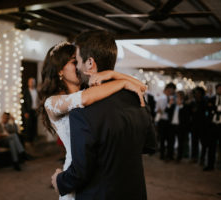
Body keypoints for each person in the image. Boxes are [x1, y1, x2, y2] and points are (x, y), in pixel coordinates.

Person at [40, 31, 155, 200]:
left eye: (78, 61)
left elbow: (142, 88)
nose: (79, 66)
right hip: (75, 178)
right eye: (74, 62)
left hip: (92, 177)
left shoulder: (93, 92)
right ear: (60, 71)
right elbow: (83, 99)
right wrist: (122, 81)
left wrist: (114, 74)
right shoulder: (52, 102)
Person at [165, 91, 190, 161]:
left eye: (178, 96)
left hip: (180, 127)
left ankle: (179, 157)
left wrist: (181, 106)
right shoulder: (172, 105)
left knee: (180, 142)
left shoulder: (185, 106)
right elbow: (166, 110)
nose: (176, 98)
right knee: (170, 142)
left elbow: (186, 117)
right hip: (172, 126)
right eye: (176, 96)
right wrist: (169, 104)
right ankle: (170, 156)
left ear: (182, 98)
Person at [155, 82, 176, 160]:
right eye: (169, 90)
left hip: (170, 122)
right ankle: (162, 154)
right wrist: (159, 111)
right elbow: (157, 110)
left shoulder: (172, 99)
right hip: (162, 121)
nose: (170, 92)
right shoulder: (161, 98)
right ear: (166, 90)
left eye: (172, 90)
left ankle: (169, 155)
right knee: (162, 138)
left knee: (169, 139)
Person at [205, 83, 221, 171]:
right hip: (213, 126)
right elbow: (208, 110)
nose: (220, 90)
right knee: (211, 146)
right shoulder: (212, 99)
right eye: (219, 89)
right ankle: (210, 165)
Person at [23, 77, 39, 143]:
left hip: (35, 110)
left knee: (34, 125)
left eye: (33, 82)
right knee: (28, 126)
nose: (32, 83)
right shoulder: (26, 91)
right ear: (28, 83)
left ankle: (33, 139)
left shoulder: (37, 91)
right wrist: (25, 112)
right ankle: (28, 140)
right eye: (31, 82)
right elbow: (23, 103)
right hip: (28, 111)